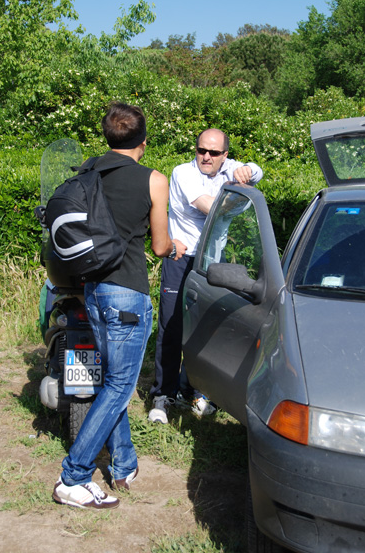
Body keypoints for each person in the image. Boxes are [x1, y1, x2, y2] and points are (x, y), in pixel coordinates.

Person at [53, 103, 187, 510]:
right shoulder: (153, 180)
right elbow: (161, 245)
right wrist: (175, 246)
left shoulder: (89, 172)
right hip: (127, 294)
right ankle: (73, 477)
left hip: (92, 290)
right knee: (118, 387)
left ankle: (124, 464)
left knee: (114, 380)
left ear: (108, 138)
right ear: (142, 143)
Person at [148, 128, 263, 424]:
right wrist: (238, 192)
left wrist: (247, 171)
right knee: (171, 326)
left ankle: (195, 389)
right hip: (181, 258)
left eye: (213, 153)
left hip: (212, 262)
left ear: (224, 155)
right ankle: (163, 394)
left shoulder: (229, 168)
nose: (206, 157)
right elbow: (209, 207)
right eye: (201, 150)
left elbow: (257, 171)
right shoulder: (182, 173)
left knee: (207, 328)